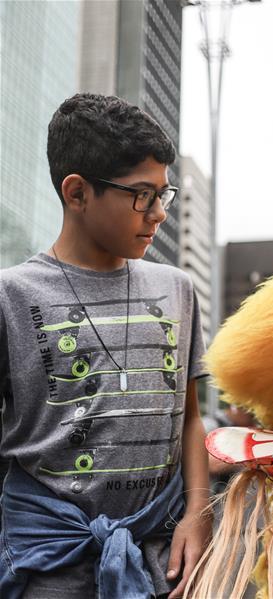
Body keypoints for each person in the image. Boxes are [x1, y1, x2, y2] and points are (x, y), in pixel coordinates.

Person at [0, 93, 210, 598]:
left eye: (164, 193)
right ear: (77, 193)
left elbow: (190, 418)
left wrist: (198, 514)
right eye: (142, 194)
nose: (158, 213)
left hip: (163, 554)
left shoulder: (177, 289)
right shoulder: (12, 295)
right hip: (46, 560)